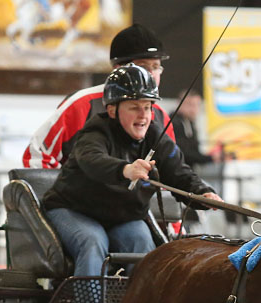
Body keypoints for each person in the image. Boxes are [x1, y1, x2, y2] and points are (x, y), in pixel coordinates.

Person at [42, 65, 222, 277]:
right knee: (92, 241)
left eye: (147, 107)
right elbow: (92, 160)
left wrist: (203, 193)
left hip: (122, 217)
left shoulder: (155, 134)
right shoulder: (95, 131)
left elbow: (179, 173)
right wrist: (125, 169)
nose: (143, 115)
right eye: (134, 107)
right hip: (73, 210)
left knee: (144, 246)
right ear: (112, 110)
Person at [22, 23, 174, 169]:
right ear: (118, 68)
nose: (152, 74)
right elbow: (37, 157)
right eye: (143, 67)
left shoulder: (161, 117)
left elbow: (170, 170)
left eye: (156, 67)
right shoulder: (81, 105)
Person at [170, 90, 214, 168]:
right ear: (180, 103)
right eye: (190, 105)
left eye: (197, 105)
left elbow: (193, 150)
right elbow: (183, 153)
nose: (194, 109)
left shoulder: (189, 122)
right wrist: (210, 158)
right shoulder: (175, 123)